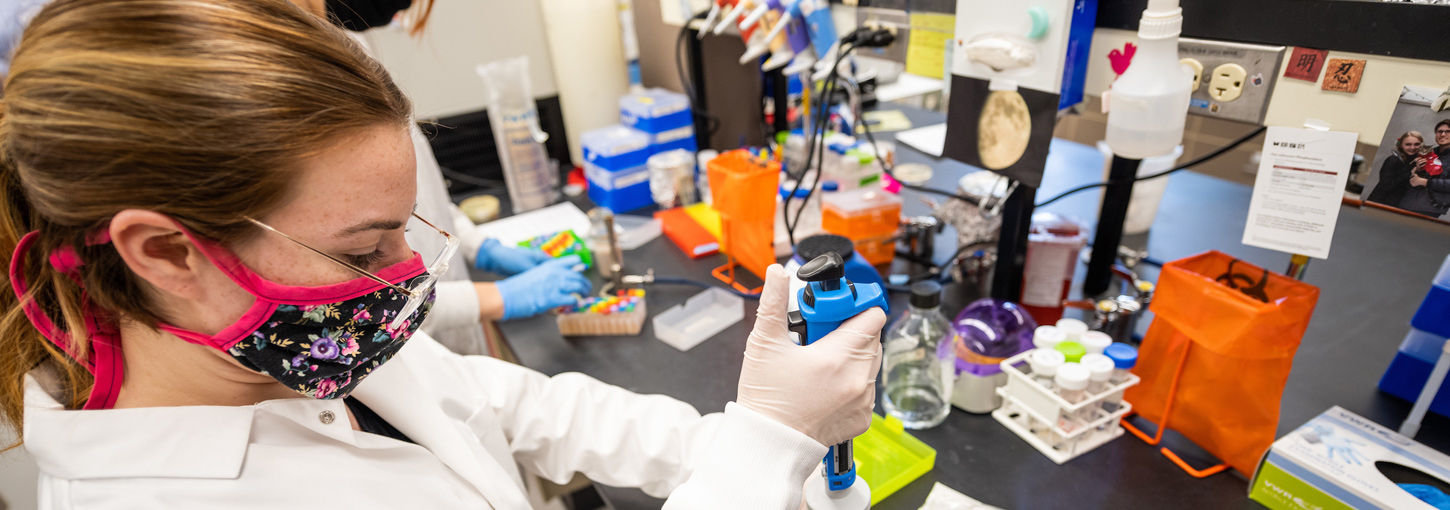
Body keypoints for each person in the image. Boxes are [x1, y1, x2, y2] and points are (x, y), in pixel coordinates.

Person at [1, 1, 886, 508]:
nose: (412, 269)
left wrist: (752, 444)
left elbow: (522, 407)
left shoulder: (291, 353)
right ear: (164, 251)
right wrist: (770, 443)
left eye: (406, 226)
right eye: (364, 246)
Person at [306, 0, 591, 356]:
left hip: (449, 327)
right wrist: (494, 297)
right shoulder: (302, 88)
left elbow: (416, 195)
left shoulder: (352, 49)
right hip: (402, 351)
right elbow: (364, 301)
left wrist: (478, 246)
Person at [1367, 131, 1424, 207]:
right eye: (1408, 144)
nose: (1412, 148)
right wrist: (1410, 172)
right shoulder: (1393, 160)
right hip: (1380, 203)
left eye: (1416, 144)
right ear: (1401, 145)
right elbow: (1386, 186)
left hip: (1400, 205)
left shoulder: (1418, 163)